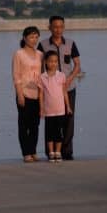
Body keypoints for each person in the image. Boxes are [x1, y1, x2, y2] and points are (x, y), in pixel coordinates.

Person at [38, 15, 81, 160]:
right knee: (50, 122)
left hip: (69, 88)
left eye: (61, 26)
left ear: (64, 27)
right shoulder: (43, 45)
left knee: (69, 120)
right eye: (55, 27)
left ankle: (66, 151)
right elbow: (39, 66)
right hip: (50, 91)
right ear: (49, 27)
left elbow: (77, 65)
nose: (58, 29)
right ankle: (50, 152)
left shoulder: (71, 43)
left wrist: (69, 79)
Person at [12, 25, 44, 162]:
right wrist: (19, 94)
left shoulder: (40, 54)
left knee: (35, 125)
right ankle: (26, 153)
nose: (34, 40)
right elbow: (16, 76)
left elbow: (43, 75)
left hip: (37, 94)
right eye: (31, 37)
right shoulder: (19, 54)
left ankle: (33, 151)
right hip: (24, 93)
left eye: (36, 37)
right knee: (24, 125)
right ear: (25, 38)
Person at [38, 50, 72, 162]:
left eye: (55, 61)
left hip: (60, 110)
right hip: (48, 111)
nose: (53, 63)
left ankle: (58, 152)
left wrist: (68, 106)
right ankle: (51, 152)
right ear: (46, 62)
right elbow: (41, 94)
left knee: (59, 132)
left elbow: (64, 92)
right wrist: (41, 108)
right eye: (51, 61)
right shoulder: (42, 77)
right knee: (49, 133)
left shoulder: (61, 75)